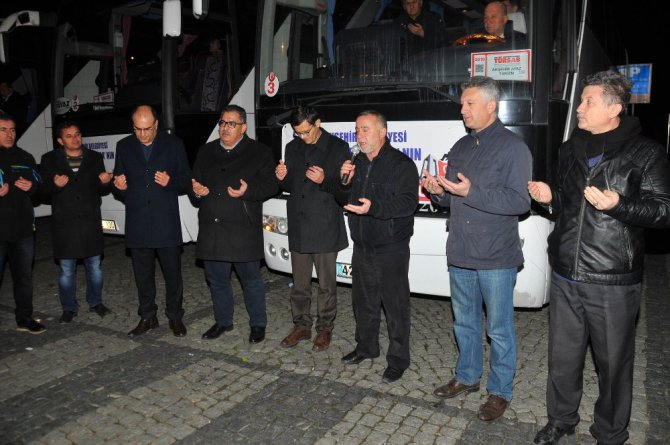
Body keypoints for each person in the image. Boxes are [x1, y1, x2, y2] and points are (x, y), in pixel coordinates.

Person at [528, 71, 670, 445]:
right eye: (582, 100)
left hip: (612, 279)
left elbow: (663, 211)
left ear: (615, 109)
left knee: (613, 366)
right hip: (565, 275)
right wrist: (549, 198)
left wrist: (619, 205)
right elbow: (566, 204)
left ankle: (610, 433)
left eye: (588, 100)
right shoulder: (569, 148)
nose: (579, 107)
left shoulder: (646, 152)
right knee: (562, 359)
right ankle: (561, 419)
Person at [421, 76, 532, 421]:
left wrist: (470, 193)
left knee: (498, 328)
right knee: (464, 323)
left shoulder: (514, 148)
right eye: (462, 104)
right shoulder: (461, 147)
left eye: (470, 104)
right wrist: (436, 191)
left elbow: (519, 201)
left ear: (491, 106)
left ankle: (500, 391)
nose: (463, 110)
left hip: (496, 255)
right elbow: (451, 198)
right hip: (462, 251)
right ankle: (467, 376)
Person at [337, 110, 418, 383]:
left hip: (391, 246)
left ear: (382, 132)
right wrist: (343, 180)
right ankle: (366, 347)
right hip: (362, 244)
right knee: (363, 303)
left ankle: (398, 360)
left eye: (366, 129)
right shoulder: (356, 162)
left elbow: (408, 203)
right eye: (357, 130)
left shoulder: (401, 164)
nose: (360, 135)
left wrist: (376, 208)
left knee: (395, 307)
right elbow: (342, 197)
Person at [191, 104, 278, 344]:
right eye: (222, 123)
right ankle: (223, 321)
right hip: (213, 228)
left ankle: (258, 324)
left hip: (242, 228)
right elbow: (195, 185)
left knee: (250, 280)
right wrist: (197, 191)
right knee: (217, 280)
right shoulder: (205, 151)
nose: (225, 128)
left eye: (231, 124)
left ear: (244, 127)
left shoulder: (259, 152)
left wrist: (249, 191)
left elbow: (272, 185)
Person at [275, 106, 350, 352]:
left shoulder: (337, 148)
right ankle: (301, 326)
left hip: (325, 225)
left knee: (327, 285)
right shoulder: (292, 147)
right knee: (299, 284)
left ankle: (325, 328)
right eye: (298, 133)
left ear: (318, 122)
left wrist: (325, 180)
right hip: (299, 223)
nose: (302, 137)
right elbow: (289, 184)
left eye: (306, 132)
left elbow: (345, 190)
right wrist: (281, 176)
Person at [113, 105, 190, 337]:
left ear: (156, 124)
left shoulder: (174, 144)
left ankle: (175, 317)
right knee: (142, 275)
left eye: (147, 129)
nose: (142, 135)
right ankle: (148, 316)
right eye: (138, 129)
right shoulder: (124, 146)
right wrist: (120, 187)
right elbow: (119, 180)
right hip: (138, 221)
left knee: (173, 274)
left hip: (165, 221)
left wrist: (171, 181)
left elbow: (186, 179)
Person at [39, 121, 113, 323]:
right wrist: (54, 185)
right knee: (66, 270)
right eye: (69, 136)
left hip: (90, 222)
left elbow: (102, 189)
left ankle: (95, 302)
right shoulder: (49, 159)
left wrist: (105, 182)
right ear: (60, 140)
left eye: (77, 134)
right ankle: (69, 307)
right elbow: (41, 191)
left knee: (95, 267)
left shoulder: (95, 158)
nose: (75, 138)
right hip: (65, 224)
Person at [0, 110, 45, 334]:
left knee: (24, 277)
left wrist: (33, 187)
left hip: (23, 229)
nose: (9, 134)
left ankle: (24, 318)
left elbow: (39, 183)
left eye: (12, 130)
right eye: (3, 130)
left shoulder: (25, 157)